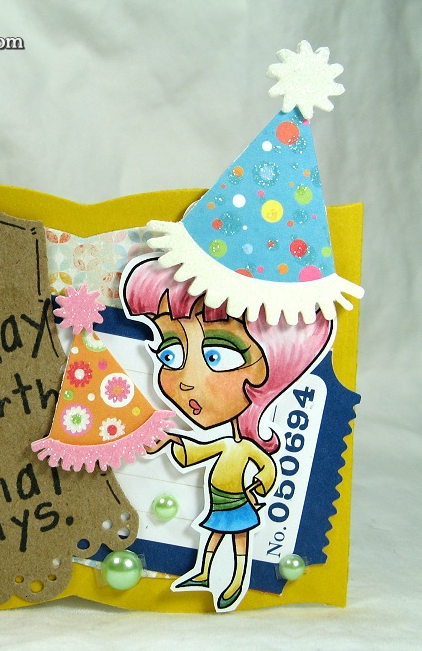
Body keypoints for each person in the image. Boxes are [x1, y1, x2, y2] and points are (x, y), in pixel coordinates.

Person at [122, 256, 332, 610]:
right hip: (220, 500)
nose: (186, 381)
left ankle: (236, 582)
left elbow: (266, 467)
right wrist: (171, 440)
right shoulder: (223, 444)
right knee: (215, 537)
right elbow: (193, 452)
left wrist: (259, 489)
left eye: (218, 355)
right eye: (171, 354)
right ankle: (205, 573)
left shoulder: (245, 448)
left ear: (273, 362)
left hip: (239, 502)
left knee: (239, 543)